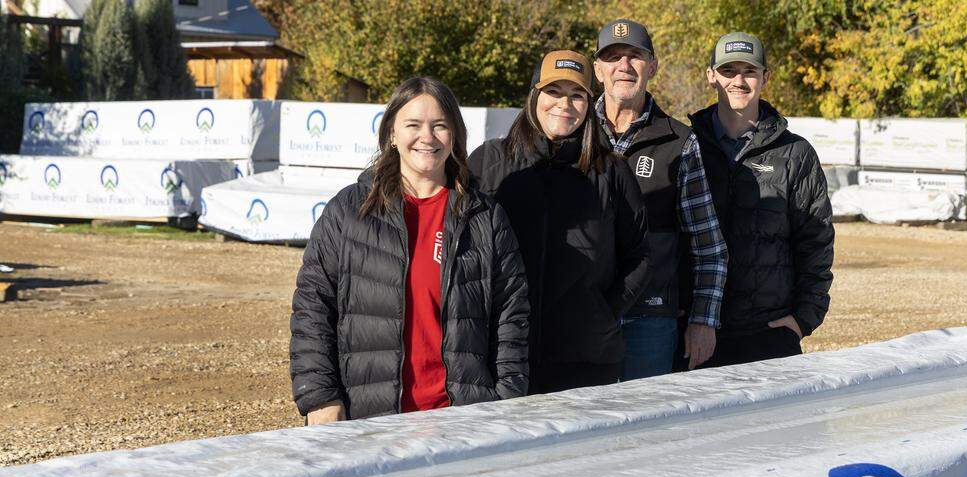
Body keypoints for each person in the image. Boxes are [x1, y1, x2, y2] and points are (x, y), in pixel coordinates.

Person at [290, 77, 530, 423]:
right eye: (413, 125)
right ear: (391, 133)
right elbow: (313, 307)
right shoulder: (349, 211)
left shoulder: (485, 217)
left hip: (462, 419)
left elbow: (511, 316)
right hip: (369, 418)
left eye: (439, 125)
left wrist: (506, 400)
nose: (427, 137)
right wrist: (321, 397)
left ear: (455, 134)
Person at [469, 50, 650, 394]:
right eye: (553, 91)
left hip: (585, 359)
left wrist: (603, 312)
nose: (564, 104)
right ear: (534, 95)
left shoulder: (611, 170)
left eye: (577, 95)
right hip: (501, 354)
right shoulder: (489, 161)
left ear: (589, 104)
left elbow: (639, 254)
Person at [688, 33, 834, 367]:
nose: (738, 81)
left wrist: (802, 319)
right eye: (728, 71)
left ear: (766, 77)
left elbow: (816, 242)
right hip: (694, 331)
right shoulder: (687, 145)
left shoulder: (795, 153)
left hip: (768, 332)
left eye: (749, 72)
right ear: (711, 76)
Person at [592, 19, 728, 378]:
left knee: (646, 416)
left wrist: (703, 320)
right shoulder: (574, 133)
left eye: (635, 56)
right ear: (598, 69)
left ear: (652, 66)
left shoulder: (679, 141)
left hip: (650, 320)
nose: (624, 66)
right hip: (582, 315)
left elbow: (709, 246)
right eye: (613, 57)